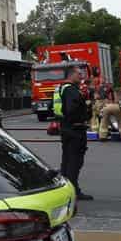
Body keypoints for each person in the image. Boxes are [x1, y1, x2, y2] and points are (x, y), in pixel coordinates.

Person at [54, 66, 93, 200]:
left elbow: (52, 107)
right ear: (71, 75)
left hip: (66, 128)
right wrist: (86, 109)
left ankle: (63, 189)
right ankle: (73, 191)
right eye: (79, 74)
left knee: (67, 160)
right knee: (75, 161)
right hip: (75, 129)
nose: (81, 76)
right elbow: (72, 109)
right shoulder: (71, 90)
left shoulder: (61, 88)